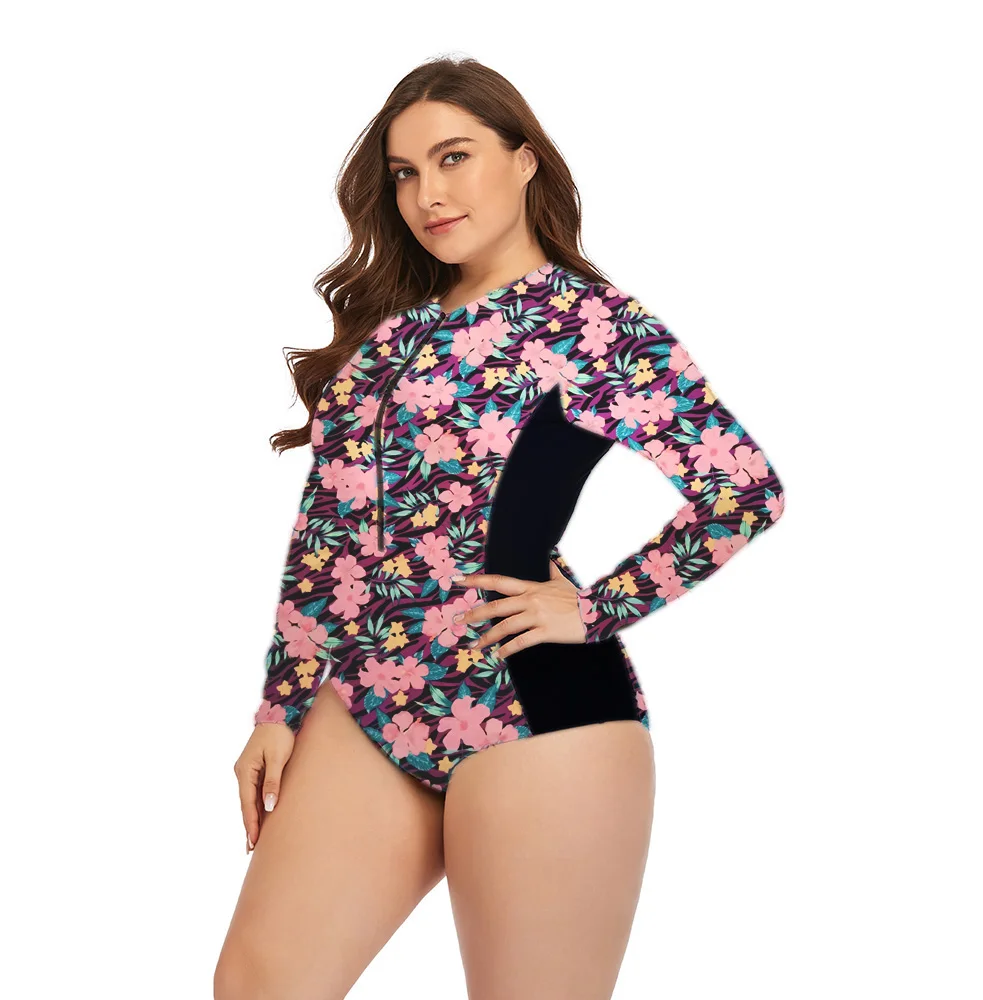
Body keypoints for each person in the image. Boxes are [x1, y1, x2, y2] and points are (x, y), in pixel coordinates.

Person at [215, 56, 786, 1000]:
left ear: (524, 160)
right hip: (371, 698)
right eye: (405, 173)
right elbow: (327, 539)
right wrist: (279, 708)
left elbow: (744, 490)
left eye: (455, 157)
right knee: (257, 986)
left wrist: (595, 610)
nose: (428, 195)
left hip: (539, 712)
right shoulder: (385, 341)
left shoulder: (594, 325)